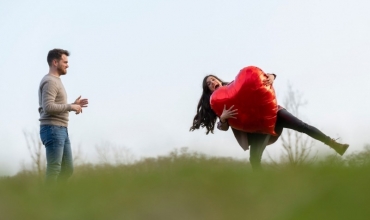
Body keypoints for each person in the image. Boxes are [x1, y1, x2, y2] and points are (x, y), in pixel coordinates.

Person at [190, 73, 349, 170]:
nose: (212, 83)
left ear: (217, 79)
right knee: (254, 159)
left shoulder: (235, 85)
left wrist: (271, 77)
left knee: (302, 126)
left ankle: (335, 144)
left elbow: (257, 79)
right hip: (258, 128)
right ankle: (263, 188)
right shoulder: (218, 104)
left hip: (274, 113)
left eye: (212, 80)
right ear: (209, 91)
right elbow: (222, 127)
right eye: (209, 85)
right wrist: (223, 119)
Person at [38, 49, 88, 183]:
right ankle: (46, 201)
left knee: (67, 169)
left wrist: (73, 104)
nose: (68, 65)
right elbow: (48, 107)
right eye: (65, 62)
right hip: (53, 129)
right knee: (54, 169)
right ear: (55, 62)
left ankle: (56, 198)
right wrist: (70, 107)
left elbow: (55, 106)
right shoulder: (50, 81)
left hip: (61, 129)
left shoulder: (56, 81)